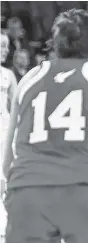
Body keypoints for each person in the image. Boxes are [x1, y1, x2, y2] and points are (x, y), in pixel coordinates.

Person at [1, 9, 88, 243]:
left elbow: (9, 156)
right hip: (82, 191)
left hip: (28, 191)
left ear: (55, 46)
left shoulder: (28, 79)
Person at [0, 31, 17, 197]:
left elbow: (17, 105)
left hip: (4, 128)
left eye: (6, 46)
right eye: (1, 46)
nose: (5, 50)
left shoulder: (8, 75)